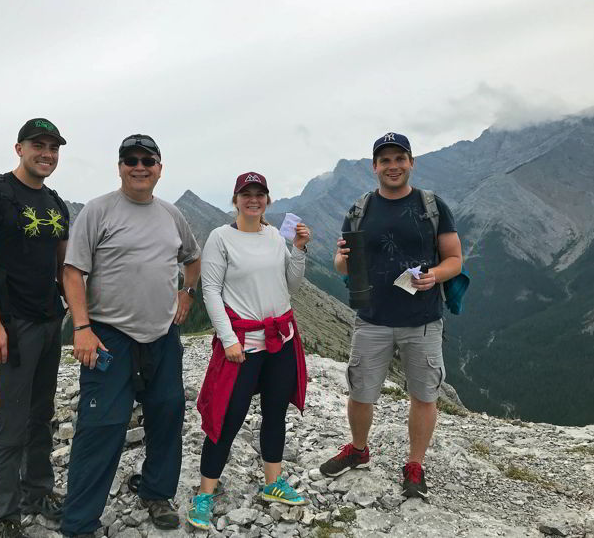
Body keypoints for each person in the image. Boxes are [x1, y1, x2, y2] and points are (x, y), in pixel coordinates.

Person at [60, 134, 201, 537]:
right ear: (120, 166)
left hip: (161, 335)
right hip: (109, 336)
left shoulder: (171, 214)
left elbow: (192, 258)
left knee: (168, 413)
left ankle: (156, 492)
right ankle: (80, 523)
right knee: (101, 425)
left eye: (147, 160)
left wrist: (187, 294)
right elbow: (73, 272)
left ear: (160, 167)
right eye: (130, 160)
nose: (139, 167)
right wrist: (82, 328)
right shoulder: (97, 211)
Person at [318, 132, 462, 499]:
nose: (393, 166)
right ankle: (358, 449)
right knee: (361, 392)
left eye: (399, 158)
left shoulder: (432, 205)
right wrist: (342, 256)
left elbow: (454, 259)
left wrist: (436, 276)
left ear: (411, 162)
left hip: (423, 319)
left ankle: (414, 465)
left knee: (424, 395)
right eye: (385, 160)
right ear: (375, 167)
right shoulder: (360, 209)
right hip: (372, 318)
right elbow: (341, 267)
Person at [0, 118, 70, 537]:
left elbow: (61, 267)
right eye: (38, 145)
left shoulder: (55, 203)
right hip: (9, 327)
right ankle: (6, 516)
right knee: (8, 424)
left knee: (41, 415)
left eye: (53, 147)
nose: (47, 153)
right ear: (19, 148)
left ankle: (37, 491)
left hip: (47, 323)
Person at [187, 172, 311, 530]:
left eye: (259, 194)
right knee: (226, 418)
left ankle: (273, 483)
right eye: (246, 194)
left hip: (281, 340)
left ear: (268, 200)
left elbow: (291, 285)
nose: (253, 199)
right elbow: (211, 290)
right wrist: (227, 339)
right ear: (236, 199)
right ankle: (205, 492)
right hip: (244, 343)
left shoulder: (275, 235)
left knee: (275, 413)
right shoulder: (221, 238)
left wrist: (298, 251)